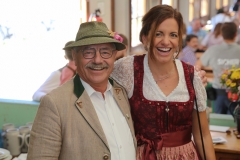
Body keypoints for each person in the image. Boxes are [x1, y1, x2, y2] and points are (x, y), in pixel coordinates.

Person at [111, 5, 215, 159]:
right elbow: (95, 79)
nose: (166, 41)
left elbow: (202, 135)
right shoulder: (128, 68)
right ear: (145, 37)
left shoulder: (192, 76)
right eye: (158, 34)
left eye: (173, 35)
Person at [27, 22, 136, 160]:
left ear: (114, 56)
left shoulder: (121, 93)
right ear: (75, 56)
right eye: (88, 52)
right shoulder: (55, 104)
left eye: (105, 52)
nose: (97, 60)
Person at [199, 22, 240, 114]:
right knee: (235, 122)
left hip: (218, 92)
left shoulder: (213, 50)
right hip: (237, 93)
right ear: (235, 34)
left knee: (218, 122)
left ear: (221, 34)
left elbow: (198, 65)